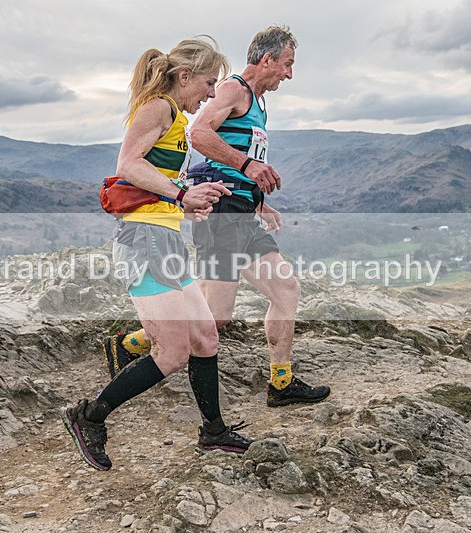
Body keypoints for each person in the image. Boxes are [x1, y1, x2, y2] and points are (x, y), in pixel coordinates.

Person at [103, 26, 330, 408]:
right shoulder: (233, 90)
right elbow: (199, 135)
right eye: (287, 64)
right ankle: (131, 343)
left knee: (286, 289)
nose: (289, 74)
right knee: (214, 318)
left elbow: (230, 166)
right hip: (222, 215)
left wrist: (258, 201)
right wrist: (248, 165)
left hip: (243, 212)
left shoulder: (258, 103)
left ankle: (281, 382)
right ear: (267, 59)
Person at [62, 37, 254, 471]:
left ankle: (213, 431)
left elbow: (154, 178)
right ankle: (88, 416)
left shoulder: (172, 116)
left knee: (205, 335)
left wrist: (194, 195)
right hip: (145, 241)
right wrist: (183, 193)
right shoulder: (160, 107)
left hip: (163, 238)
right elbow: (128, 164)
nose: (210, 93)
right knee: (171, 351)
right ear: (184, 76)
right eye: (207, 83)